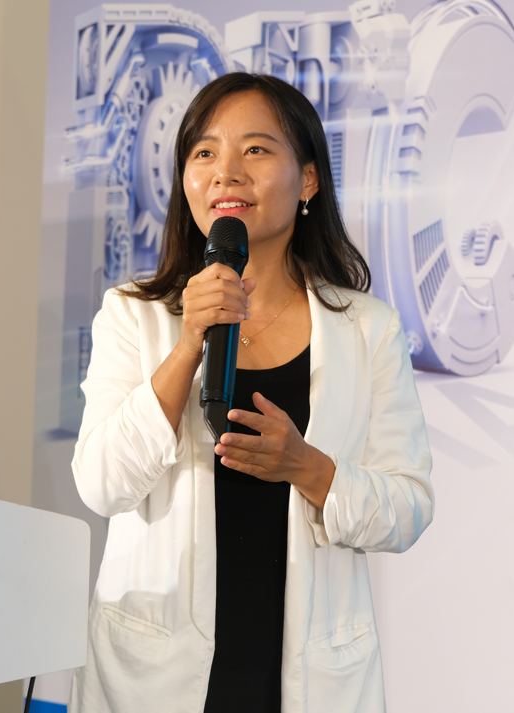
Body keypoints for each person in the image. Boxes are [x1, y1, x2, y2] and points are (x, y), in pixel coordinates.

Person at [69, 72, 433, 713]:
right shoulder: (133, 314)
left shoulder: (367, 328)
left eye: (256, 149)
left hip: (307, 678)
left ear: (309, 179)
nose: (225, 173)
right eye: (204, 152)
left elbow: (409, 506)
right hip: (155, 678)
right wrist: (189, 342)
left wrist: (308, 467)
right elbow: (102, 485)